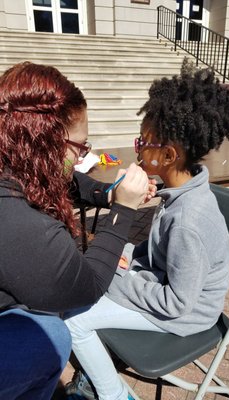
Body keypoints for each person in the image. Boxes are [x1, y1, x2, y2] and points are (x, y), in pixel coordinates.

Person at [64, 60, 229, 400]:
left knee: (74, 320)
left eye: (143, 142)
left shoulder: (189, 220)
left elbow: (177, 304)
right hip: (161, 287)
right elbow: (156, 253)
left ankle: (115, 394)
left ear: (169, 154)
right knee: (93, 282)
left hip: (185, 316)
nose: (138, 147)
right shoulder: (179, 193)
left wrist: (119, 280)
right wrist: (124, 256)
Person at [0, 61, 150, 400]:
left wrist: (108, 193)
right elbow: (87, 285)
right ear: (43, 142)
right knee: (52, 335)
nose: (84, 154)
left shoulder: (12, 156)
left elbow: (70, 175)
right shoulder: (16, 220)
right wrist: (123, 211)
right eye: (79, 147)